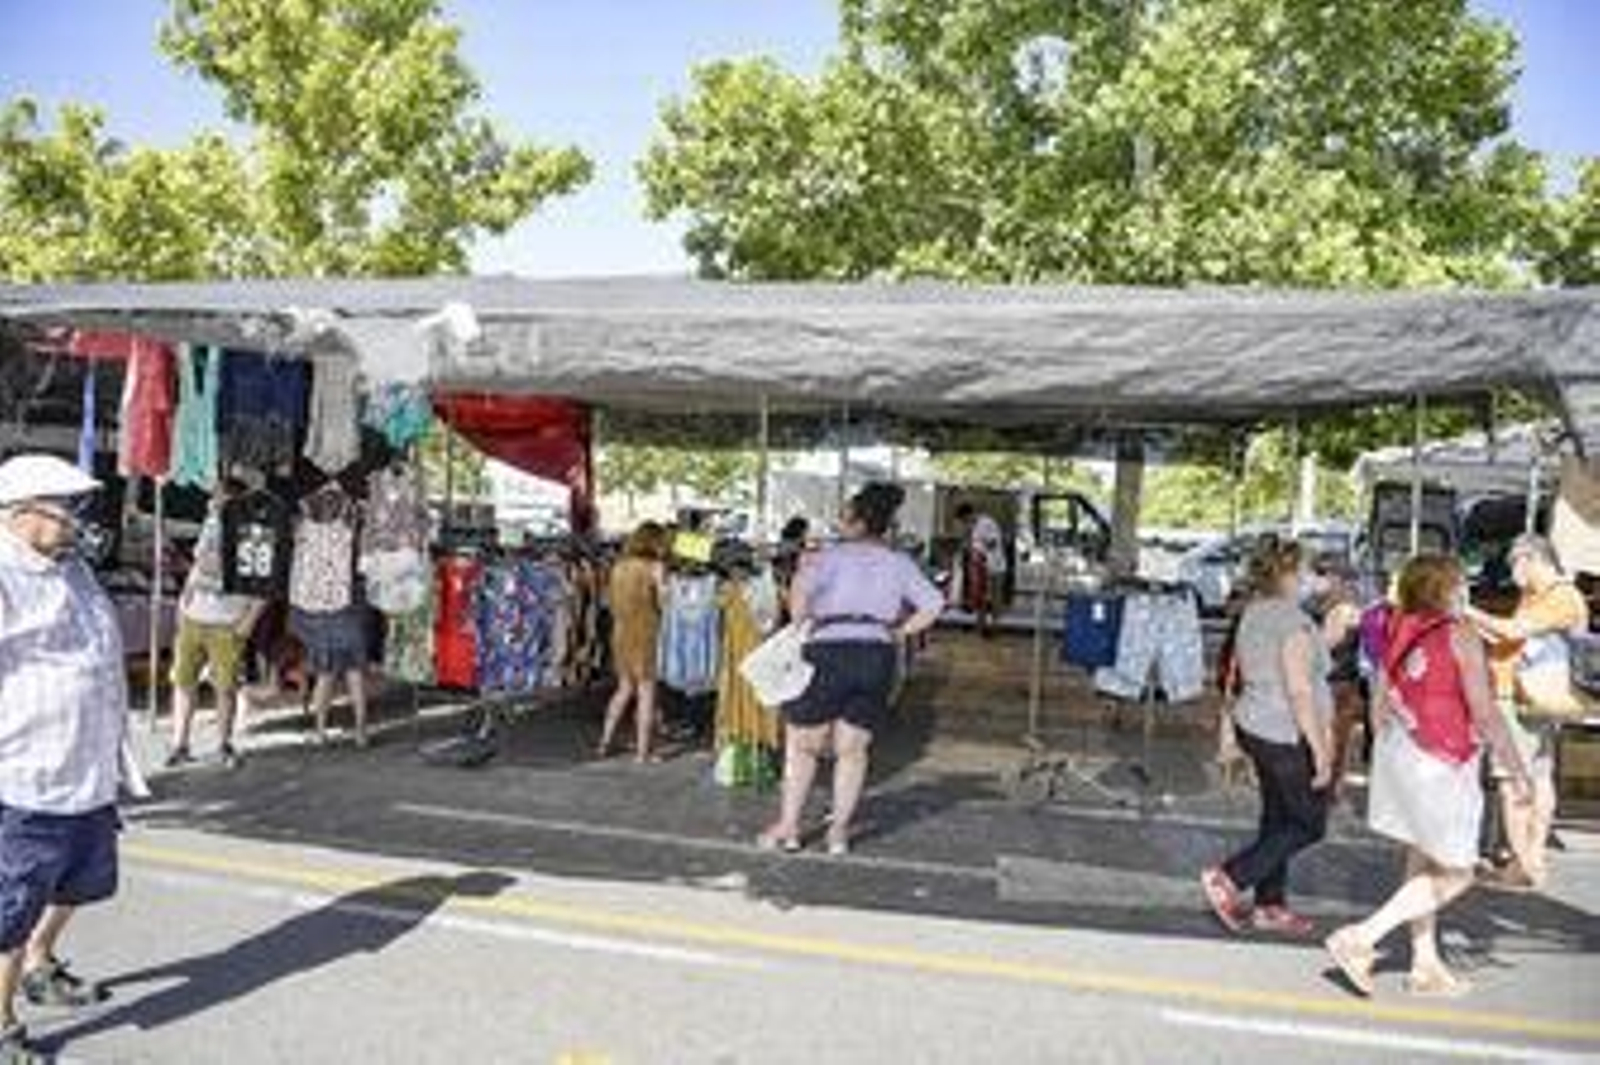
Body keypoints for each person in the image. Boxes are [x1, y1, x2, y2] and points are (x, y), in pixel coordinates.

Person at [1326, 554, 1532, 998]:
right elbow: (1485, 711)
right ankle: (1361, 937)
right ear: (1444, 588)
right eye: (1460, 583)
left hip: (1401, 756)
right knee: (1459, 871)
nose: (1466, 590)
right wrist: (1517, 769)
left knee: (1422, 858)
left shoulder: (1399, 626)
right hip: (1442, 762)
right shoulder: (1460, 635)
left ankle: (1426, 963)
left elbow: (1379, 702)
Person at [0, 455, 138, 1064]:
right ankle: (1, 1025)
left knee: (79, 881)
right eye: (66, 505)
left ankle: (39, 962)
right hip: (28, 772)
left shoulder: (73, 567)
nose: (79, 518)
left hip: (88, 767)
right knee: (12, 907)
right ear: (19, 513)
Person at [759, 483, 944, 855]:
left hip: (828, 650)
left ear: (858, 523)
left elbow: (798, 609)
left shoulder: (826, 558)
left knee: (803, 746)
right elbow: (934, 604)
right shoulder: (899, 562)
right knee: (853, 750)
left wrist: (799, 600)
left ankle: (790, 827)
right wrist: (898, 632)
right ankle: (838, 834)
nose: (839, 523)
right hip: (877, 655)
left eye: (844, 517)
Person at [1201, 539, 1334, 936]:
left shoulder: (1254, 613)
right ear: (1288, 574)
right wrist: (1321, 749)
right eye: (1308, 570)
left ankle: (1269, 904)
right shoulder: (1291, 621)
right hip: (1284, 731)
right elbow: (1298, 689)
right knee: (1309, 823)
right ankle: (1229, 878)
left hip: (1255, 724)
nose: (1313, 578)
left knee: (1278, 817)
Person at [1464, 534, 1590, 889]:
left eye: (1514, 565)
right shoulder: (1539, 595)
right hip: (1532, 697)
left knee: (1511, 782)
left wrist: (1466, 610)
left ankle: (1523, 864)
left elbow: (1514, 629)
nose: (1512, 574)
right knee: (1537, 777)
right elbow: (1514, 639)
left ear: (1532, 560)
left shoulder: (1560, 597)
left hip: (1524, 697)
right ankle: (1531, 858)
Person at [168, 477, 267, 769]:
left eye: (218, 498)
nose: (212, 503)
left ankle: (223, 744)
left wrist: (249, 618)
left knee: (225, 687)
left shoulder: (255, 535)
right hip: (194, 616)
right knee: (183, 682)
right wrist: (183, 601)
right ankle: (180, 743)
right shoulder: (210, 525)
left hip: (227, 622)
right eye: (212, 499)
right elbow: (198, 565)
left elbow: (265, 585)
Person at [600, 522, 670, 762]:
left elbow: (607, 602)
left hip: (620, 631)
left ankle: (604, 741)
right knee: (646, 691)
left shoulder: (618, 567)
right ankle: (643, 752)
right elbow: (663, 603)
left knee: (623, 688)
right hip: (646, 631)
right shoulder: (655, 567)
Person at [1306, 554, 1367, 796]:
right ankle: (1329, 787)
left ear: (1337, 579)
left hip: (1336, 684)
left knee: (1332, 740)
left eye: (1322, 574)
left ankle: (1327, 790)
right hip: (1338, 682)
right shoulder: (1335, 605)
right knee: (1334, 739)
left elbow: (1323, 645)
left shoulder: (1342, 609)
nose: (1316, 580)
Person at [955, 502, 1006, 637]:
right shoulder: (972, 527)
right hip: (979, 566)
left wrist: (978, 546)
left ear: (969, 514)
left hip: (995, 565)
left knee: (995, 597)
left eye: (965, 520)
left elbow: (993, 543)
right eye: (963, 522)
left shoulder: (987, 523)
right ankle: (981, 626)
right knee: (980, 596)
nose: (964, 523)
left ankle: (995, 626)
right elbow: (969, 545)